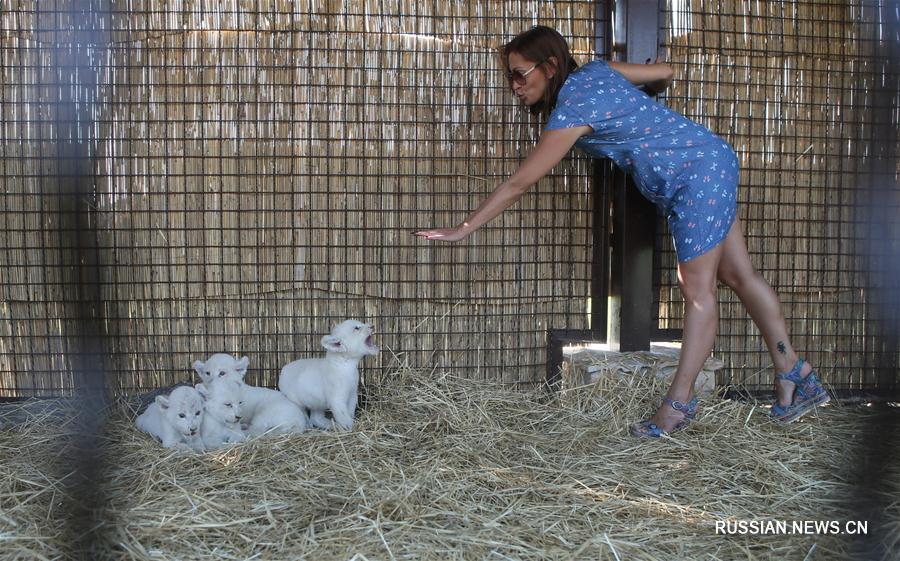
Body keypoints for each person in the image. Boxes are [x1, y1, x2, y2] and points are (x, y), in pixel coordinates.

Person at [413, 25, 830, 437]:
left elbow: (519, 183)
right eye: (510, 77)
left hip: (695, 176)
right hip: (708, 159)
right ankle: (795, 373)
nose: (515, 86)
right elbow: (664, 72)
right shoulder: (596, 72)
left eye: (520, 74)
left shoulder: (572, 109)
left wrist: (464, 228)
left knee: (698, 293)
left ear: (550, 66)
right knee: (739, 276)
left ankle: (678, 406)